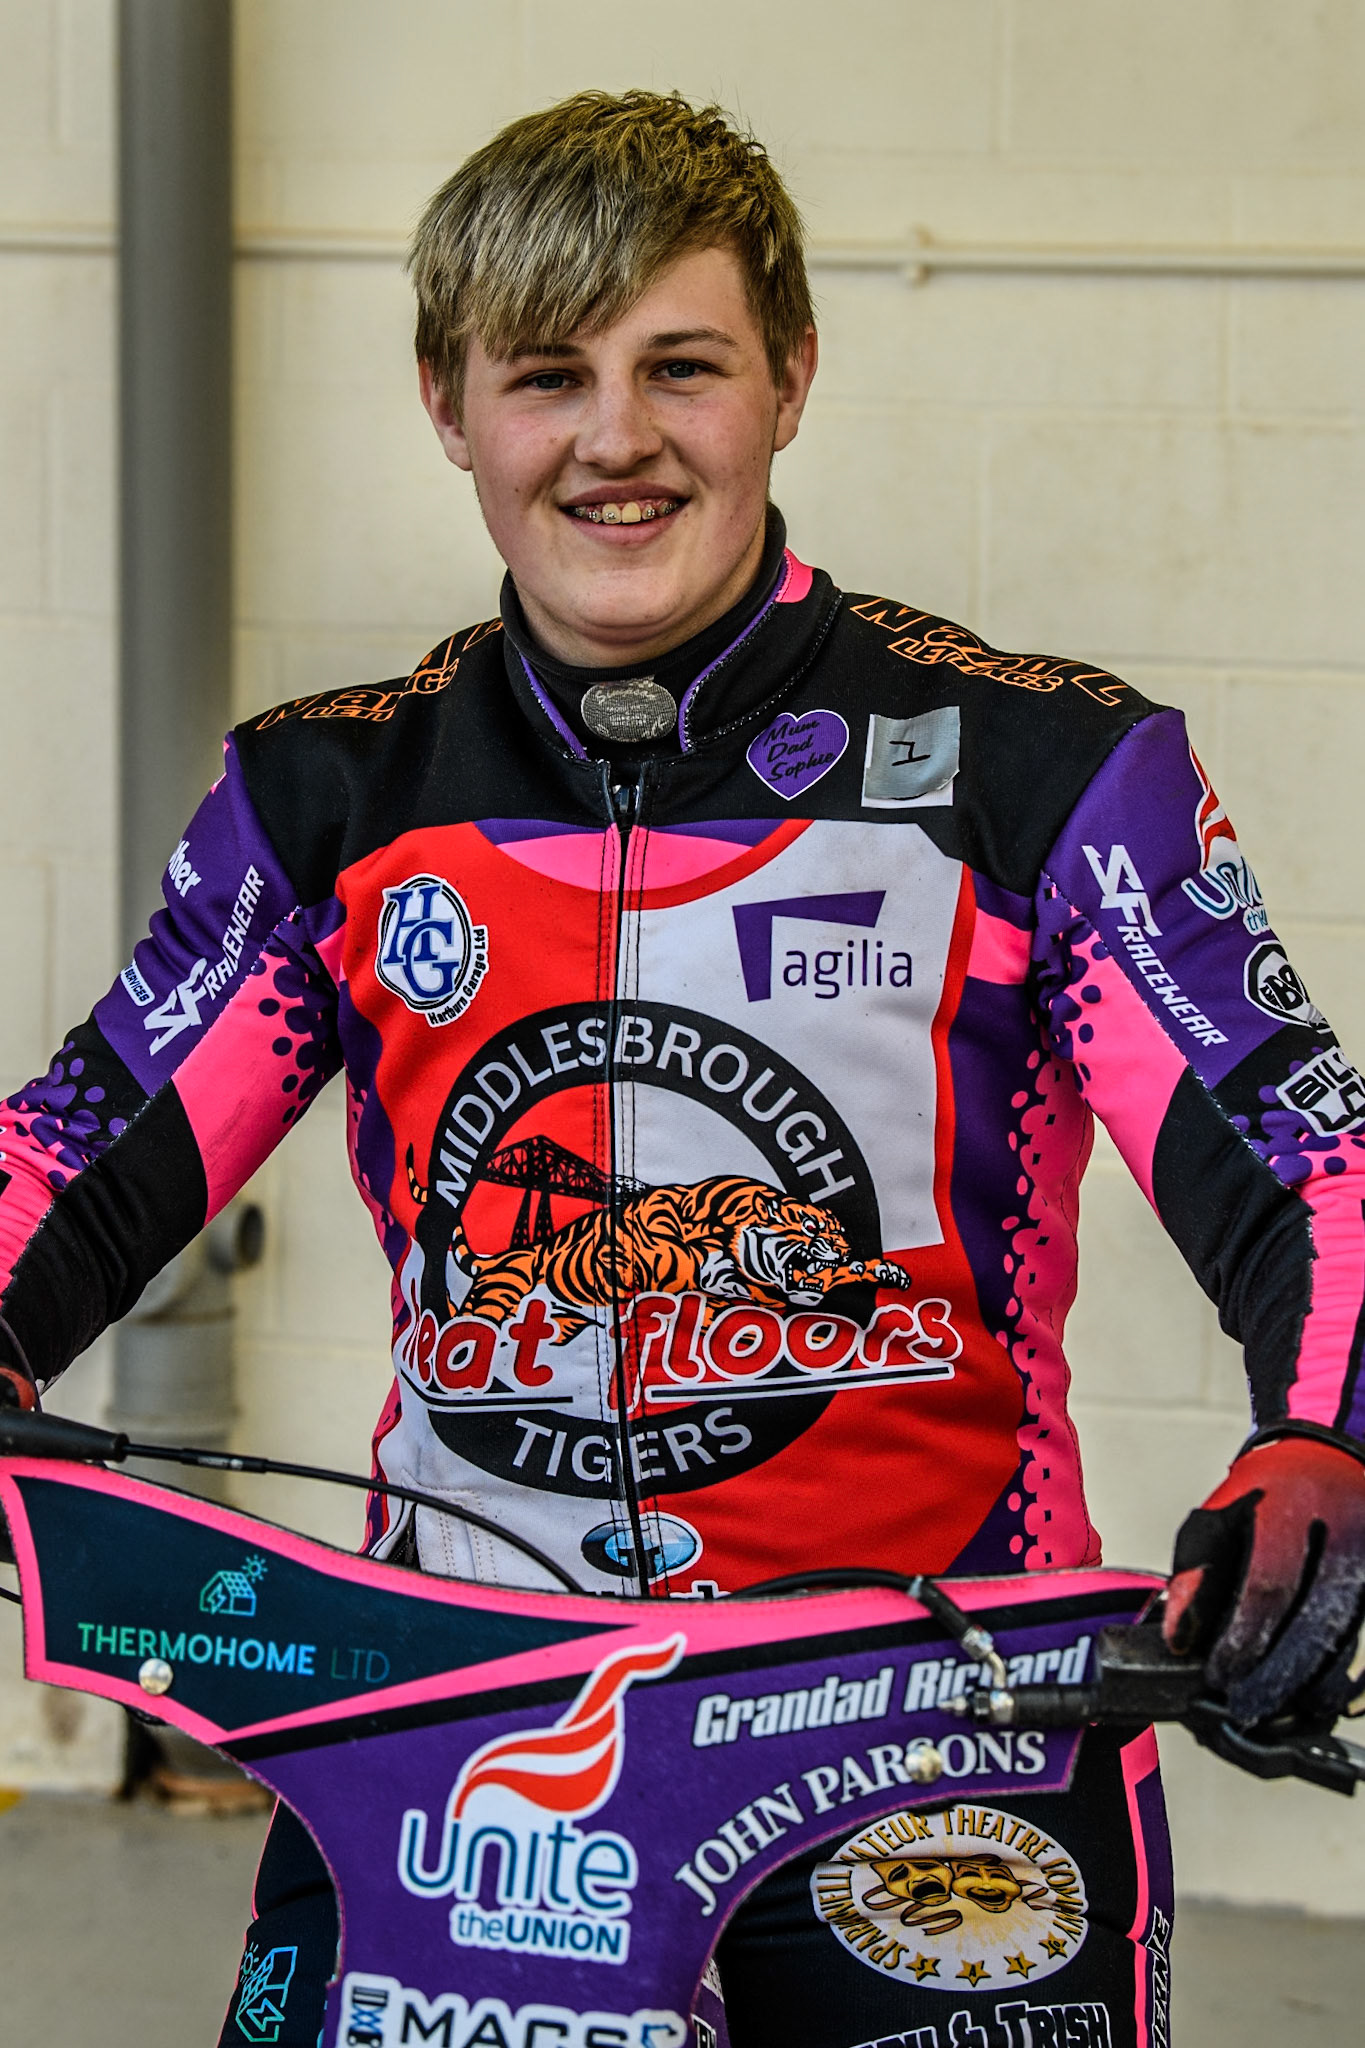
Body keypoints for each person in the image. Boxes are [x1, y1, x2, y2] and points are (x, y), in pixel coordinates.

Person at [2, 87, 1364, 2048]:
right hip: (443, 1724)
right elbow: (84, 1139)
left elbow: (1295, 1155)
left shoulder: (1042, 776)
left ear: (789, 376)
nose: (614, 438)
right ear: (448, 403)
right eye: (546, 375)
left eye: (681, 365)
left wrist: (1317, 1432)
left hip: (933, 1736)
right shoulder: (326, 799)